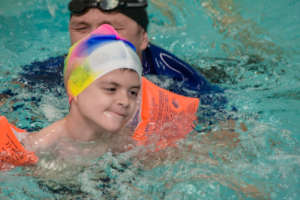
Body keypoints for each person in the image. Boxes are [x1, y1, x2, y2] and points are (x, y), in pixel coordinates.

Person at [1, 24, 200, 171]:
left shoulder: (127, 142)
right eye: (111, 89)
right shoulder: (35, 147)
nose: (125, 101)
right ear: (76, 90)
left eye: (132, 92)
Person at [20, 0, 227, 110]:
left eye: (111, 28)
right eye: (82, 28)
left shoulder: (175, 78)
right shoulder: (48, 73)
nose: (95, 40)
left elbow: (227, 130)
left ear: (143, 38)